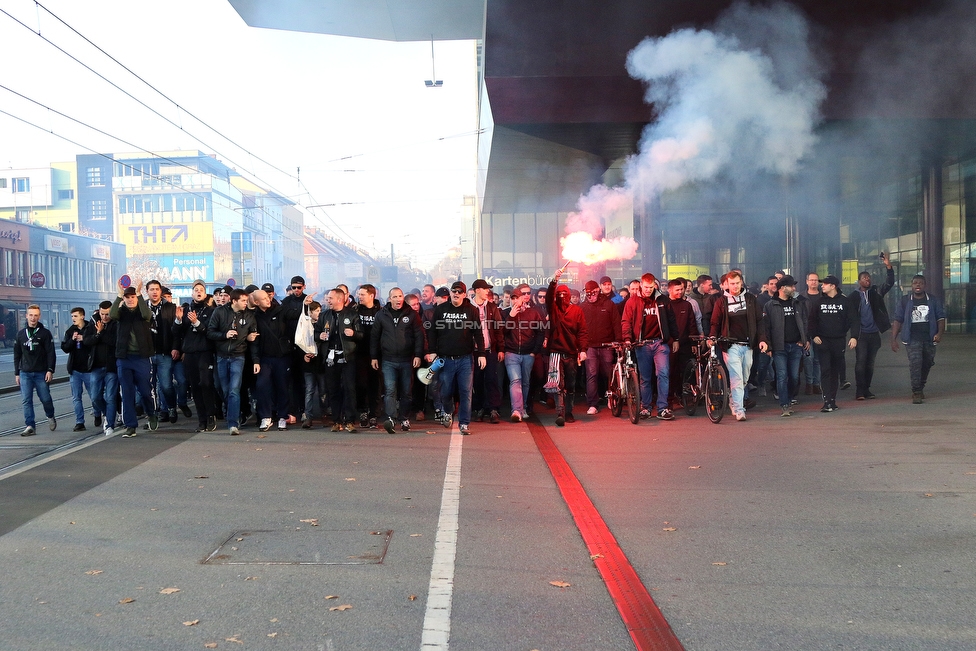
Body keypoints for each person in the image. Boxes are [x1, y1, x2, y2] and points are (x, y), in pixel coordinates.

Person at [426, 281, 486, 434]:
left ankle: (464, 423)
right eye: (454, 291)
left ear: (465, 294)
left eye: (460, 291)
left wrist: (481, 354)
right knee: (446, 391)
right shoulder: (441, 309)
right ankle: (447, 411)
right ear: (451, 293)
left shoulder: (471, 310)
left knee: (466, 391)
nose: (456, 293)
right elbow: (432, 332)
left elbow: (478, 333)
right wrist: (432, 350)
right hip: (445, 359)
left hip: (466, 359)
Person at [622, 273, 677, 421]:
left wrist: (675, 338)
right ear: (641, 285)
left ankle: (662, 408)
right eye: (646, 287)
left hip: (660, 342)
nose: (648, 290)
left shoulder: (662, 300)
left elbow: (672, 320)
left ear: (655, 285)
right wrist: (627, 338)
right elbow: (626, 321)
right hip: (642, 344)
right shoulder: (632, 301)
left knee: (663, 374)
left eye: (651, 287)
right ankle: (645, 408)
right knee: (645, 378)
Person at [207, 288, 260, 435]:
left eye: (246, 300)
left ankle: (233, 423)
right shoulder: (219, 312)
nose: (245, 303)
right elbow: (210, 332)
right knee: (224, 389)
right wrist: (225, 334)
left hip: (239, 356)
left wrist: (256, 360)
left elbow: (254, 340)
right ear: (234, 301)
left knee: (234, 390)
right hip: (221, 355)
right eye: (243, 300)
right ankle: (233, 413)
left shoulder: (249, 316)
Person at [371, 287, 424, 433]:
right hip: (388, 360)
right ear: (390, 299)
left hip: (407, 359)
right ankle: (390, 419)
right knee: (389, 391)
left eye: (400, 296)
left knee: (406, 392)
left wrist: (418, 355)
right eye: (395, 296)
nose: (398, 299)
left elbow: (419, 336)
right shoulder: (381, 315)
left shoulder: (412, 314)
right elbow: (375, 337)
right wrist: (374, 357)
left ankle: (405, 419)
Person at [710, 270, 759, 421]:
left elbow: (759, 321)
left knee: (744, 378)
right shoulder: (721, 301)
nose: (735, 286)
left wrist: (762, 339)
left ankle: (732, 397)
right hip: (730, 346)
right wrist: (712, 336)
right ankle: (739, 410)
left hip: (748, 344)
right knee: (737, 379)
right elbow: (715, 322)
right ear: (727, 284)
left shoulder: (750, 299)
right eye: (732, 284)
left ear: (742, 282)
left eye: (737, 283)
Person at [252, 288, 304, 431]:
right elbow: (254, 341)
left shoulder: (281, 310)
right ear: (256, 302)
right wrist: (256, 360)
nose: (267, 300)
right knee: (262, 386)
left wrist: (306, 305)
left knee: (283, 387)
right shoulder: (254, 316)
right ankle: (266, 417)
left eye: (268, 297)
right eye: (263, 298)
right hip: (264, 358)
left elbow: (295, 314)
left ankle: (282, 416)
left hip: (282, 357)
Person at [111, 282, 158, 437]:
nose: (130, 300)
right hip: (124, 358)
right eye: (127, 297)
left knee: (145, 390)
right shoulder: (121, 313)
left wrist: (139, 294)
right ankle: (131, 426)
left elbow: (147, 315)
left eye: (133, 297)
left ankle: (151, 413)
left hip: (142, 357)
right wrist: (118, 296)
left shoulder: (142, 311)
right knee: (127, 392)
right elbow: (112, 315)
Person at [891, 274, 946, 403]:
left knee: (927, 363)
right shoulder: (905, 301)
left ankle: (920, 386)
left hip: (929, 338)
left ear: (924, 285)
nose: (918, 285)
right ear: (912, 285)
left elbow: (941, 318)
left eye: (920, 283)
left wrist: (939, 333)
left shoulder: (933, 300)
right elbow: (898, 320)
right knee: (916, 364)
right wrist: (893, 339)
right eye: (915, 283)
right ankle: (916, 391)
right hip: (912, 339)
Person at [759, 275, 809, 417]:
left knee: (794, 376)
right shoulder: (770, 305)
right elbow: (766, 327)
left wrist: (804, 339)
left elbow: (804, 322)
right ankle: (784, 404)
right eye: (791, 286)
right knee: (782, 375)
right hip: (779, 347)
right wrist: (768, 346)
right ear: (782, 288)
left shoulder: (797, 303)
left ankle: (789, 397)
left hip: (796, 345)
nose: (794, 288)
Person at [807, 275, 858, 412]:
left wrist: (854, 337)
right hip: (823, 341)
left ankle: (832, 400)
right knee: (825, 370)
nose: (821, 285)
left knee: (834, 371)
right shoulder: (818, 302)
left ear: (833, 286)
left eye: (825, 284)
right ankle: (826, 401)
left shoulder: (845, 302)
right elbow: (811, 321)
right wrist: (814, 335)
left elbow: (854, 320)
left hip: (839, 340)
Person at [544, 270, 589, 426]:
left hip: (571, 352)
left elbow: (583, 332)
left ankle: (569, 411)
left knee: (570, 385)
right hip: (556, 352)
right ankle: (560, 412)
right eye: (559, 294)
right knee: (558, 384)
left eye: (564, 294)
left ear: (569, 296)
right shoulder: (553, 309)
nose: (561, 297)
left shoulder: (577, 311)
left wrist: (583, 350)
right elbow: (549, 297)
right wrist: (554, 280)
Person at [316, 287, 363, 432]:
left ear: (339, 299)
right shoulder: (324, 315)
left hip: (348, 357)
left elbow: (361, 335)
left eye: (330, 298)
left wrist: (354, 334)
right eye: (327, 298)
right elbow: (316, 332)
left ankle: (350, 421)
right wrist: (319, 336)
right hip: (330, 358)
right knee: (333, 390)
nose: (327, 300)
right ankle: (336, 421)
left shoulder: (352, 314)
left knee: (349, 389)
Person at [849, 254, 895, 399]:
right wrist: (853, 335)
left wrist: (888, 266)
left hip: (874, 334)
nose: (867, 280)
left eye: (869, 278)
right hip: (861, 335)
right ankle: (859, 390)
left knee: (870, 363)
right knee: (861, 362)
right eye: (864, 278)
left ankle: (867, 389)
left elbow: (889, 283)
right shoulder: (853, 297)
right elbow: (849, 316)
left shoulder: (876, 292)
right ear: (859, 281)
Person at [176, 281, 218, 433]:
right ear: (192, 293)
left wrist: (196, 322)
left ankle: (211, 414)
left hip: (205, 352)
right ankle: (202, 420)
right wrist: (179, 320)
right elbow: (178, 332)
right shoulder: (186, 309)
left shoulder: (211, 311)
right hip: (190, 354)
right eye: (196, 290)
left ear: (205, 293)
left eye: (201, 290)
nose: (199, 292)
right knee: (194, 386)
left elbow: (208, 331)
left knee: (206, 383)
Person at [503, 283, 545, 421]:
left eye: (517, 298)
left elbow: (540, 332)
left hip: (528, 354)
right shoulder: (505, 313)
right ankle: (516, 410)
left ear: (522, 298)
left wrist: (535, 351)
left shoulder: (533, 312)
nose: (515, 301)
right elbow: (502, 333)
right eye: (512, 298)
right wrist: (511, 316)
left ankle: (524, 407)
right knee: (516, 380)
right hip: (512, 353)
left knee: (526, 382)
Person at [579, 279, 621, 414]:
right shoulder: (582, 307)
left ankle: (611, 397)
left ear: (598, 291)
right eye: (588, 294)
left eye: (593, 294)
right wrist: (581, 348)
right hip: (589, 346)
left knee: (608, 374)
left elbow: (616, 324)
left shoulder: (609, 304)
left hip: (606, 345)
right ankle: (593, 404)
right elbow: (578, 329)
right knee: (592, 374)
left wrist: (618, 341)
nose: (591, 297)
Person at [14, 304, 57, 436]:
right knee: (26, 400)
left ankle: (50, 415)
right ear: (27, 316)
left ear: (39, 316)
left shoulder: (45, 333)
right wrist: (17, 373)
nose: (33, 318)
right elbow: (17, 355)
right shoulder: (21, 334)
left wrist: (50, 370)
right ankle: (30, 425)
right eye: (31, 315)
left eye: (36, 315)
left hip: (41, 372)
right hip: (25, 372)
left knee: (45, 398)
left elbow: (51, 353)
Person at [470, 278, 505, 423]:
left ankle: (493, 409)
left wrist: (501, 349)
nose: (488, 291)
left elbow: (498, 329)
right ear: (477, 290)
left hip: (490, 350)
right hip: (473, 351)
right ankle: (479, 409)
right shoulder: (467, 307)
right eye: (485, 289)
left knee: (492, 380)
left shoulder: (492, 307)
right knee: (476, 381)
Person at [145, 279, 180, 423]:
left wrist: (175, 347)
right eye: (151, 289)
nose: (154, 292)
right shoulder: (143, 308)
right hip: (147, 353)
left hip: (164, 352)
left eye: (156, 289)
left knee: (166, 385)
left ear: (161, 292)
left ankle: (171, 407)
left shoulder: (170, 307)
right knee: (149, 387)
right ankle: (157, 412)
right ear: (147, 291)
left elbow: (176, 331)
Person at [665, 278, 702, 408]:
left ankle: (683, 396)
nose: (680, 292)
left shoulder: (687, 305)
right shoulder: (664, 304)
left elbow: (692, 324)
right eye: (677, 290)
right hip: (668, 345)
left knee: (685, 372)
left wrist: (693, 343)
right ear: (670, 290)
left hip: (685, 344)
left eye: (682, 289)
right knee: (669, 373)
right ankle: (668, 399)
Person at [61, 307, 97, 431]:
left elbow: (95, 342)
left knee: (94, 395)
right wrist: (72, 340)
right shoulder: (70, 331)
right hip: (75, 369)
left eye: (75, 316)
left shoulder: (90, 327)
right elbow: (65, 348)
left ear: (82, 316)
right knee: (76, 397)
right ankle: (79, 422)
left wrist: (84, 339)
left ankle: (97, 413)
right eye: (72, 317)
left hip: (88, 368)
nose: (73, 319)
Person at [90, 301, 119, 436]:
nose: (104, 317)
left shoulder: (116, 324)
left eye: (107, 314)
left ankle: (109, 424)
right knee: (95, 397)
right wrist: (97, 333)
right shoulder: (94, 323)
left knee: (111, 397)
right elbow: (87, 341)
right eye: (102, 314)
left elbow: (114, 342)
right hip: (96, 366)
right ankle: (108, 413)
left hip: (111, 367)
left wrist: (101, 333)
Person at [356, 284, 382, 428]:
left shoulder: (381, 312)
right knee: (361, 384)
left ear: (372, 296)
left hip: (377, 355)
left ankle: (374, 415)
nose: (359, 297)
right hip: (360, 353)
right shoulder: (355, 310)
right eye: (358, 294)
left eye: (362, 294)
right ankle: (363, 412)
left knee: (376, 386)